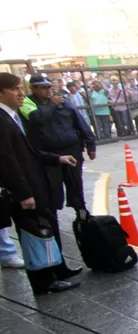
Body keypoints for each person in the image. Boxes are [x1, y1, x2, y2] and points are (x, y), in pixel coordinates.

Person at [0, 72, 82, 294]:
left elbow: (28, 153)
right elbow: (7, 161)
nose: (21, 94)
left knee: (46, 226)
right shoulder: (2, 120)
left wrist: (57, 158)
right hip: (24, 189)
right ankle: (44, 280)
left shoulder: (11, 117)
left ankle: (57, 269)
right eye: (15, 88)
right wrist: (24, 193)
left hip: (37, 182)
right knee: (34, 231)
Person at [23, 75, 95, 214]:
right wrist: (52, 105)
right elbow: (36, 118)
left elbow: (79, 122)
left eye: (49, 87)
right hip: (48, 155)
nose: (48, 90)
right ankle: (52, 219)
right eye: (43, 88)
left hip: (72, 150)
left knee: (76, 187)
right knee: (52, 191)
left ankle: (82, 215)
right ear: (33, 88)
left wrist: (90, 144)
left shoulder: (62, 102)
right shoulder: (28, 103)